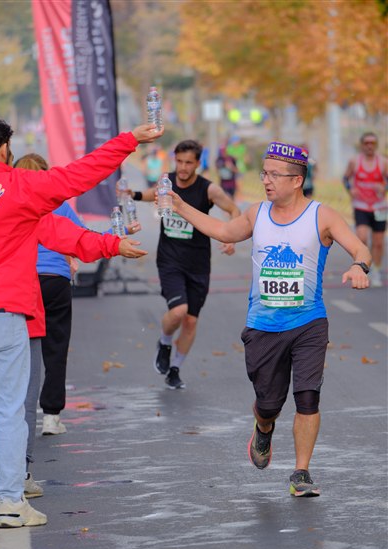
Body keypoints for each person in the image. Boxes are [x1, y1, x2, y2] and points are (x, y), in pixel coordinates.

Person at [168, 141, 371, 496]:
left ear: (297, 180)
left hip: (309, 321)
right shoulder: (257, 213)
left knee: (308, 397)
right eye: (264, 173)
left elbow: (360, 248)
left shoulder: (321, 216)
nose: (266, 180)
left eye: (274, 175)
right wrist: (180, 205)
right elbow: (223, 231)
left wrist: (359, 266)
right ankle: (263, 428)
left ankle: (301, 473)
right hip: (263, 326)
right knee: (268, 405)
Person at [0, 116, 162, 528]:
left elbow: (57, 231)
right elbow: (78, 180)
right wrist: (128, 140)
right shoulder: (20, 187)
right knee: (11, 411)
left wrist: (111, 243)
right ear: (3, 150)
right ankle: (11, 502)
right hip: (3, 313)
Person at [0, 203, 146, 496]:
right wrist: (115, 242)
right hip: (28, 296)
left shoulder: (10, 201)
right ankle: (23, 470)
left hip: (5, 295)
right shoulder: (33, 203)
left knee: (1, 385)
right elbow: (76, 236)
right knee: (31, 382)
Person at [131, 139, 240, 389]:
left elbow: (233, 210)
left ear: (198, 163)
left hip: (198, 263)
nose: (182, 167)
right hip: (170, 259)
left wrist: (231, 238)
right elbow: (152, 194)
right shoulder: (166, 181)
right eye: (179, 161)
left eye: (188, 163)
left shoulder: (208, 189)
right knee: (179, 311)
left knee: (191, 321)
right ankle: (164, 342)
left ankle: (175, 369)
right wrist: (134, 195)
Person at [343, 132, 388, 287]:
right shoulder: (354, 161)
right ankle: (363, 268)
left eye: (372, 143)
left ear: (376, 145)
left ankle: (376, 271)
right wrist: (351, 189)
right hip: (361, 206)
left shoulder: (383, 162)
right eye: (367, 143)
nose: (369, 146)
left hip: (379, 207)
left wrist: (384, 188)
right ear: (362, 145)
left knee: (378, 242)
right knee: (362, 237)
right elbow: (345, 178)